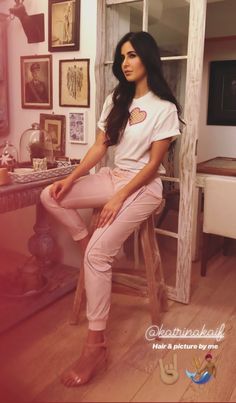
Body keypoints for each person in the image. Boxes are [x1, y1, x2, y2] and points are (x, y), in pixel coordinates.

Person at [40, 31, 183, 387]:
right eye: (122, 57)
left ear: (147, 59)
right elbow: (100, 147)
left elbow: (153, 166)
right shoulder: (116, 99)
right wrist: (71, 179)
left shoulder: (164, 109)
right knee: (49, 196)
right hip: (113, 176)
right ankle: (89, 241)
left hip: (143, 187)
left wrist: (118, 198)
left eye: (132, 55)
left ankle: (96, 345)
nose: (126, 63)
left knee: (98, 256)